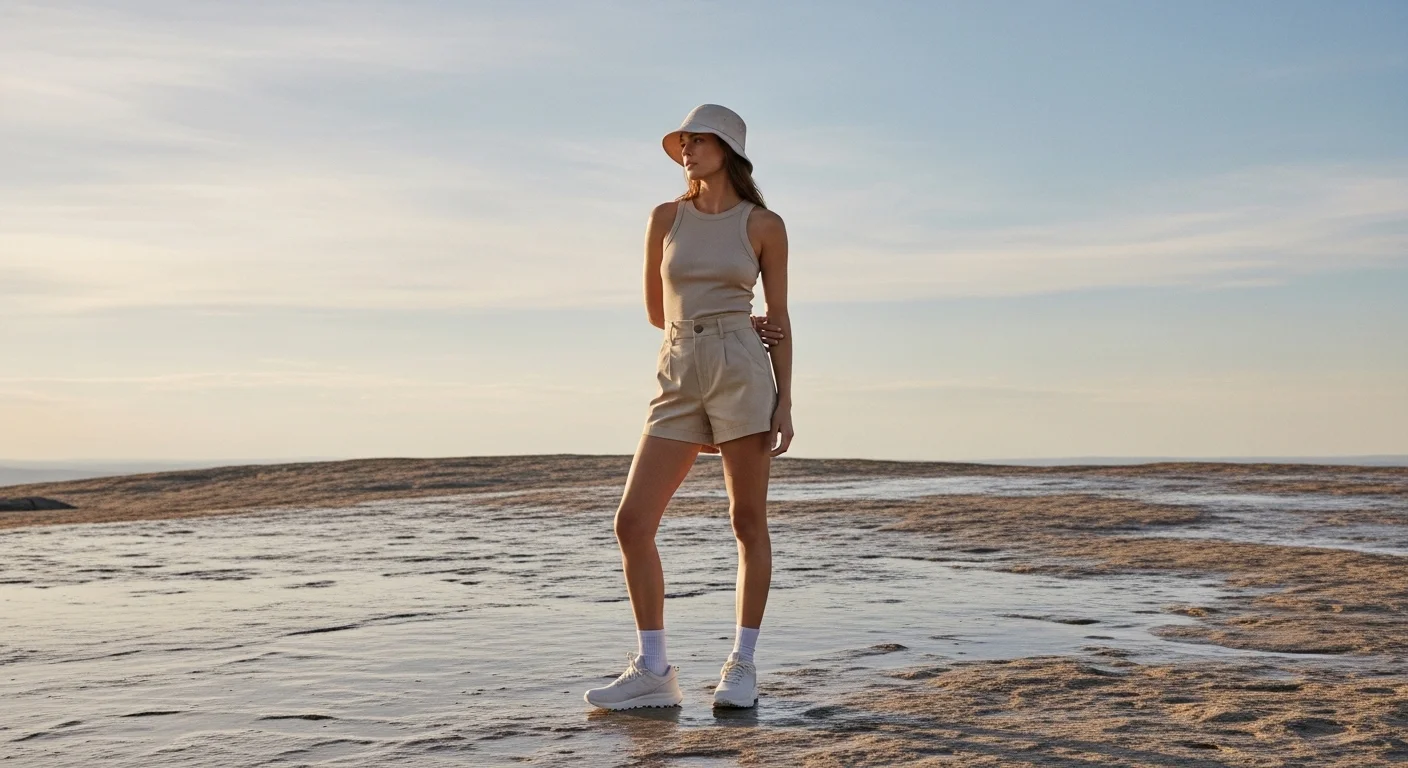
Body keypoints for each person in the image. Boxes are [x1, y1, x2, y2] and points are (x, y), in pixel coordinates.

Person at [584, 104, 794, 711]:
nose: (687, 150)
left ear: (727, 150)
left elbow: (779, 321)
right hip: (678, 369)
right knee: (632, 522)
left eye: (698, 141)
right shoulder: (664, 218)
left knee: (747, 521)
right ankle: (654, 670)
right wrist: (710, 326)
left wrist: (784, 402)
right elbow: (658, 311)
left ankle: (742, 665)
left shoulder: (764, 225)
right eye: (683, 142)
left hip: (741, 367)